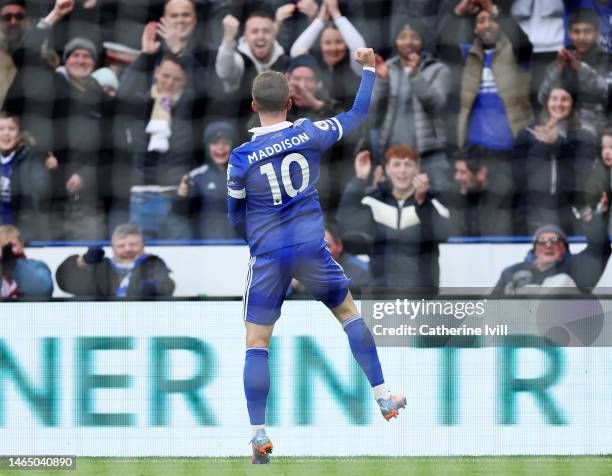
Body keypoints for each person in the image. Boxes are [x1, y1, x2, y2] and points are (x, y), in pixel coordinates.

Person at [227, 47, 405, 464]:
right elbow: (357, 116)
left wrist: (256, 241)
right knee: (349, 314)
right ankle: (383, 397)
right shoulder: (308, 132)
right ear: (291, 102)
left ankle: (258, 435)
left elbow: (235, 215)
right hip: (310, 247)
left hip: (269, 255)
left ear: (253, 106)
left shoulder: (239, 159)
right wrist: (367, 68)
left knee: (257, 343)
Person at [337, 145, 451, 292]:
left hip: (422, 294)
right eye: (396, 164)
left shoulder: (433, 199)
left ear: (417, 169)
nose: (402, 170)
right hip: (381, 294)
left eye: (408, 164)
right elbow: (346, 221)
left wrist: (422, 202)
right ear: (387, 169)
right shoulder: (373, 200)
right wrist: (360, 179)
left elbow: (445, 233)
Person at [372, 20, 451, 190]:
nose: (408, 42)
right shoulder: (388, 68)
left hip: (428, 156)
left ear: (422, 40)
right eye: (402, 36)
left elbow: (437, 104)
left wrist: (415, 76)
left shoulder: (438, 69)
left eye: (414, 36)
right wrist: (382, 80)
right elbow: (373, 110)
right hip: (393, 155)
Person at [513, 83, 596, 234]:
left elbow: (582, 171)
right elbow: (519, 174)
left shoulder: (585, 135)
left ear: (572, 104)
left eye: (565, 99)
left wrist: (558, 143)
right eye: (554, 99)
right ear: (546, 102)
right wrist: (542, 145)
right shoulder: (527, 133)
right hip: (531, 211)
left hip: (566, 212)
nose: (559, 103)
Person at [492, 214, 611, 295]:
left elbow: (601, 248)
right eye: (542, 241)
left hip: (561, 325)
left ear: (564, 248)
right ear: (535, 248)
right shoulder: (512, 271)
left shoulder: (576, 267)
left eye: (555, 241)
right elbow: (492, 305)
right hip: (519, 325)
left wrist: (586, 213)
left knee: (561, 280)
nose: (548, 245)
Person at [538, 8, 612, 136]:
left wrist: (580, 69)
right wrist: (558, 70)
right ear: (569, 34)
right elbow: (542, 99)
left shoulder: (608, 62)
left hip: (596, 135)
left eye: (587, 31)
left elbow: (608, 97)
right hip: (562, 134)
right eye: (576, 32)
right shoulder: (558, 62)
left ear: (597, 33)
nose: (582, 37)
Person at [55, 224, 175, 298]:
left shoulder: (153, 264)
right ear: (112, 248)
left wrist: (155, 287)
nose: (128, 249)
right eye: (121, 246)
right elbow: (66, 284)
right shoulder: (101, 268)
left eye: (133, 244)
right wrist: (83, 261)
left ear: (142, 245)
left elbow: (167, 286)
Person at [289, 0, 366, 109]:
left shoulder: (354, 66)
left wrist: (336, 15)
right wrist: (320, 20)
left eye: (339, 42)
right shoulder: (314, 65)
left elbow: (359, 48)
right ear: (320, 45)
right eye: (327, 43)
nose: (333, 48)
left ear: (346, 44)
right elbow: (295, 51)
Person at [175, 121, 239, 239]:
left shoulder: (245, 173)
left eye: (225, 143)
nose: (220, 148)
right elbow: (182, 215)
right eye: (215, 143)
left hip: (239, 245)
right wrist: (181, 197)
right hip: (205, 246)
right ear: (206, 146)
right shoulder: (196, 177)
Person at [0, 112, 51, 240]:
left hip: (25, 231)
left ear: (20, 135)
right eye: (1, 129)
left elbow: (42, 188)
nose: (6, 133)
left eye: (11, 129)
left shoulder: (31, 158)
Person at [450, 146, 514, 236]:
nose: (456, 177)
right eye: (456, 171)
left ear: (481, 173)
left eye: (462, 172)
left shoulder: (503, 195)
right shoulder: (460, 191)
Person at [0, 224, 53, 298]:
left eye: (12, 245)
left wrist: (15, 265)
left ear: (21, 245)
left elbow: (45, 289)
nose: (7, 251)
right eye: (2, 247)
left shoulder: (36, 266)